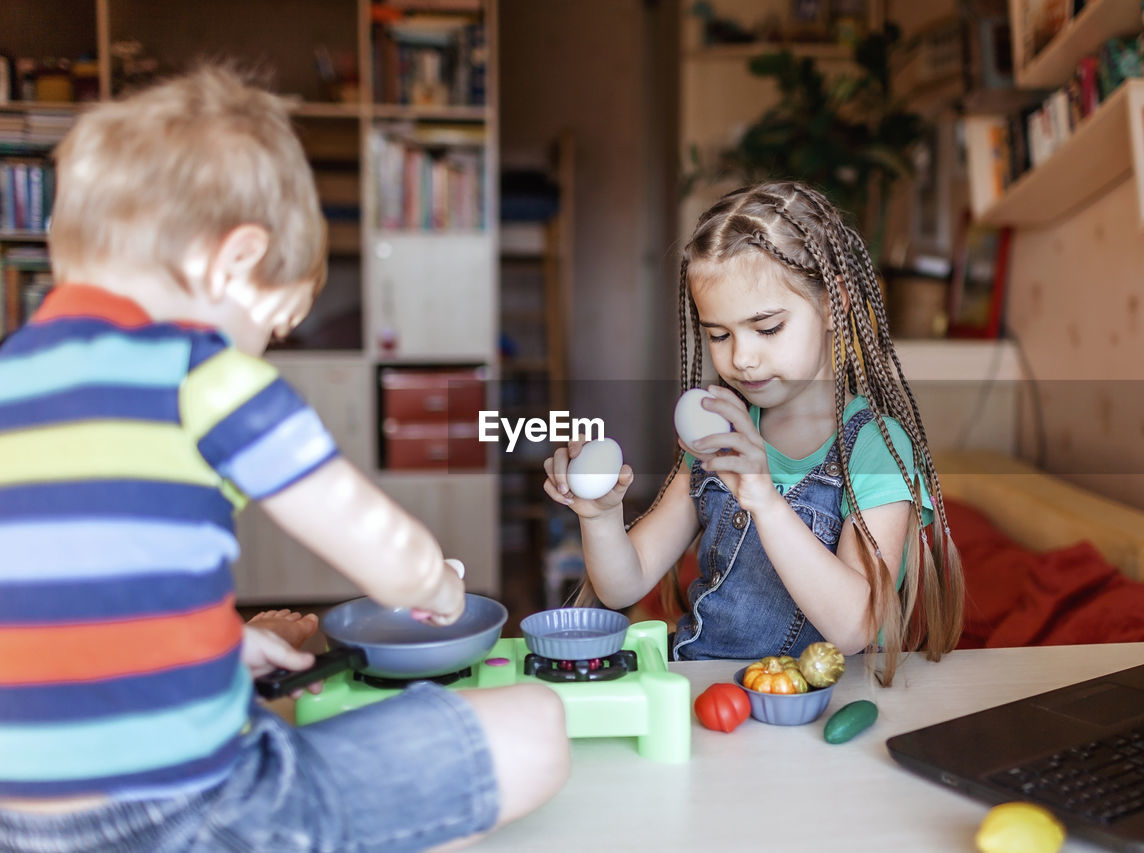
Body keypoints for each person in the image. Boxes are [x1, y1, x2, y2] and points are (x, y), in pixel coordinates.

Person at [0, 66, 568, 852]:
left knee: (278, 704)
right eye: (273, 325)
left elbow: (59, 595)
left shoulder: (13, 375)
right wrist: (432, 581)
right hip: (191, 813)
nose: (264, 351)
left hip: (20, 823)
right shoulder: (201, 373)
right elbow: (376, 542)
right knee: (534, 725)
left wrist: (222, 645)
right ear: (234, 262)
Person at [544, 180, 964, 683]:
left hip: (810, 707)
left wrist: (764, 497)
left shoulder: (876, 446)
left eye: (766, 328)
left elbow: (856, 625)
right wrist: (600, 516)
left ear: (836, 303)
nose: (740, 357)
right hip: (705, 690)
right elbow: (624, 584)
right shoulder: (719, 433)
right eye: (718, 334)